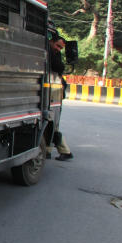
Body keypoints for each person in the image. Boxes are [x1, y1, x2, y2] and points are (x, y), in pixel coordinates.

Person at [47, 29, 73, 161]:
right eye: (57, 46)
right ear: (51, 41)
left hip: (55, 94)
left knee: (53, 125)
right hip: (51, 93)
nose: (58, 49)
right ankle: (48, 150)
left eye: (60, 48)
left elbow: (59, 67)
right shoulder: (48, 50)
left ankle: (64, 151)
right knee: (51, 125)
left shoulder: (53, 53)